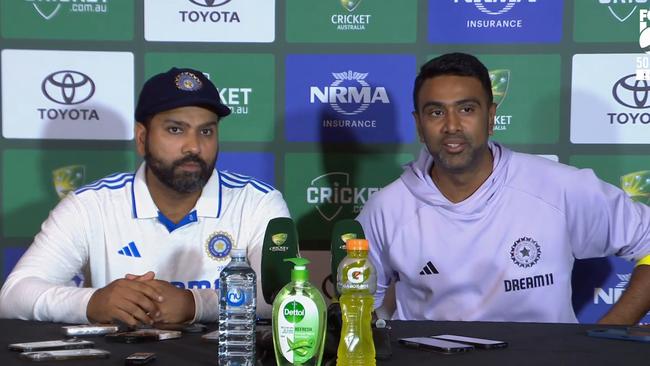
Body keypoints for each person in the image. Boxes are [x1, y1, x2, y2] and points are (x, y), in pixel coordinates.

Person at [356, 53, 650, 324]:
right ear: (419, 125)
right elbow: (361, 310)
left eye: (467, 109)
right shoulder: (386, 209)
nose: (452, 126)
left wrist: (606, 338)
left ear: (491, 116)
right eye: (436, 113)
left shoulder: (558, 188)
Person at [0, 67, 290, 326]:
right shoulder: (90, 205)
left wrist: (194, 304)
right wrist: (94, 303)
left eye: (206, 131)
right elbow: (13, 295)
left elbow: (283, 298)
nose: (193, 146)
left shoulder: (258, 202)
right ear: (142, 138)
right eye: (175, 129)